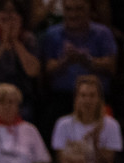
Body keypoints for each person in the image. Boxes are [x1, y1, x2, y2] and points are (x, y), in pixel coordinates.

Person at [39, 0, 116, 128]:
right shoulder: (52, 34)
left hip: (96, 98)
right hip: (62, 97)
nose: (73, 14)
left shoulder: (103, 33)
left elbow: (111, 67)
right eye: (69, 9)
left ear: (89, 9)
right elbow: (47, 69)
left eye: (79, 9)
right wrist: (65, 61)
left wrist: (87, 60)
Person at [49, 75, 121, 163]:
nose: (87, 100)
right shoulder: (63, 124)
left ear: (99, 99)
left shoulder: (112, 125)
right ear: (76, 98)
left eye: (92, 96)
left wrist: (95, 144)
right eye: (83, 95)